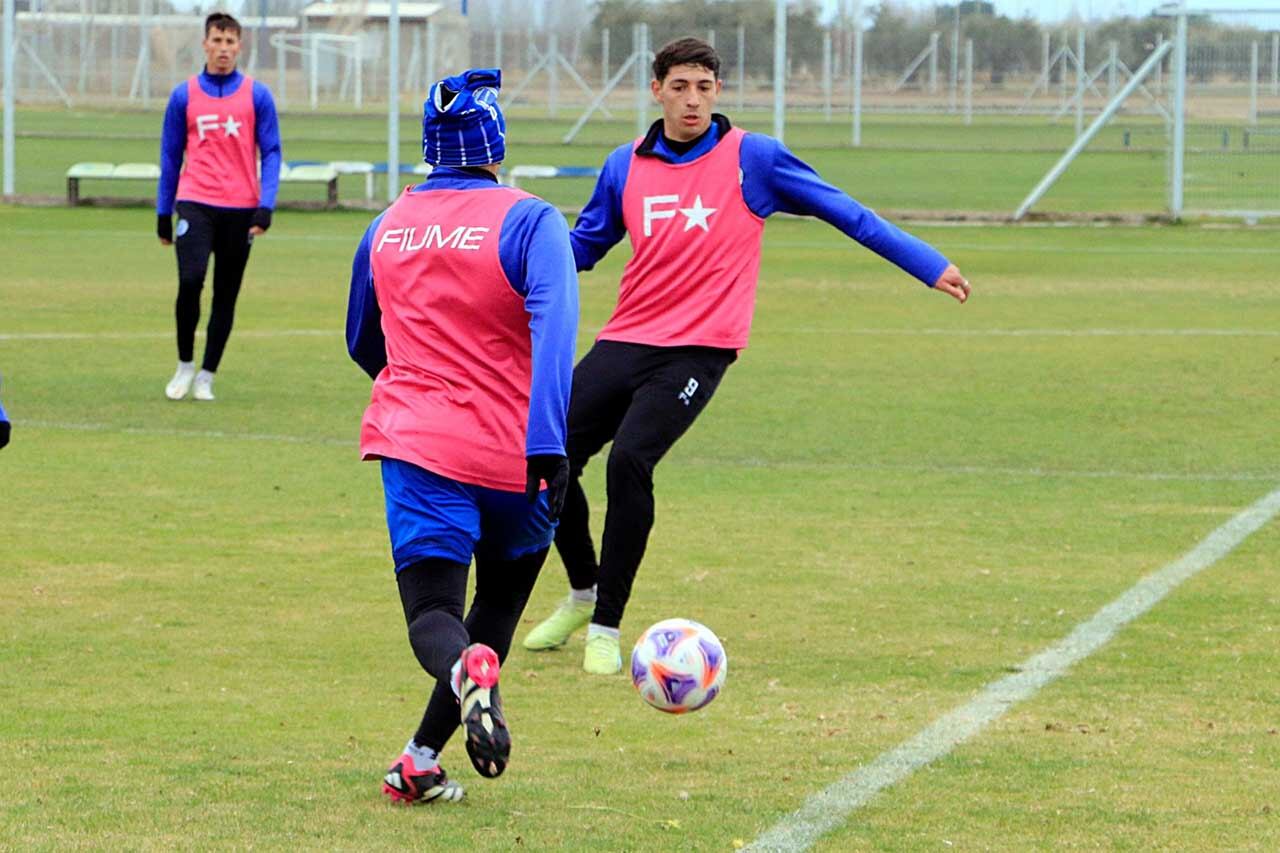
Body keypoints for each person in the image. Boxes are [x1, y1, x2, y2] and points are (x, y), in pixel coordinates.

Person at [521, 37, 972, 674]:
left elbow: (844, 211)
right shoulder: (625, 165)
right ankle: (581, 591)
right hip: (625, 338)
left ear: (718, 92)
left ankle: (607, 623)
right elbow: (583, 248)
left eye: (704, 87)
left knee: (629, 462)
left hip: (698, 351)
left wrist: (926, 263)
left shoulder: (750, 160)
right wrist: (506, 270)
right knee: (548, 454)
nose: (692, 100)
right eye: (679, 87)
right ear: (657, 91)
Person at [346, 69, 578, 805]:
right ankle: (418, 760)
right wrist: (547, 444)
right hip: (515, 452)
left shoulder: (384, 225)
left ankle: (459, 679)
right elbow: (556, 332)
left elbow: (361, 339)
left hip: (420, 447)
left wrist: (421, 388)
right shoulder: (532, 220)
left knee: (436, 617)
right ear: (495, 141)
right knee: (497, 612)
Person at [156, 12, 281, 402]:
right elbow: (171, 156)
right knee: (191, 281)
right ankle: (184, 366)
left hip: (240, 207)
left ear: (239, 46)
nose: (223, 49)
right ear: (205, 44)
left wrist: (266, 204)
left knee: (226, 294)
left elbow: (272, 151)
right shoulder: (184, 95)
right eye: (217, 40)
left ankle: (207, 375)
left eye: (230, 42)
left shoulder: (257, 95)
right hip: (195, 202)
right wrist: (163, 210)